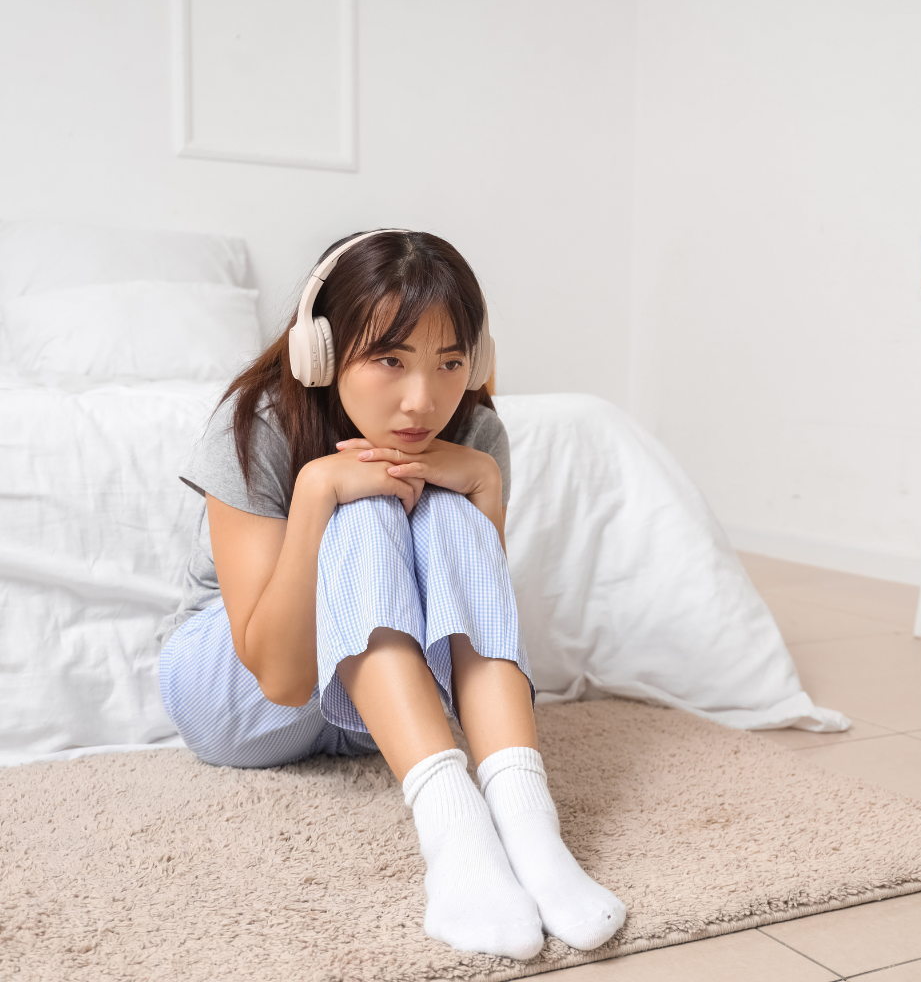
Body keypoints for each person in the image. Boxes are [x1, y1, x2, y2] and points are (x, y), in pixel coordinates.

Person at [157, 229, 625, 959]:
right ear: (320, 351)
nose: (423, 398)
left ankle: (531, 830)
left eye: (449, 363)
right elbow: (279, 680)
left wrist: (484, 489)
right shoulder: (259, 423)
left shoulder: (472, 432)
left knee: (444, 505)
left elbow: (464, 634)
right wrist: (317, 496)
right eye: (389, 359)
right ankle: (457, 839)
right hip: (237, 700)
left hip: (373, 710)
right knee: (367, 509)